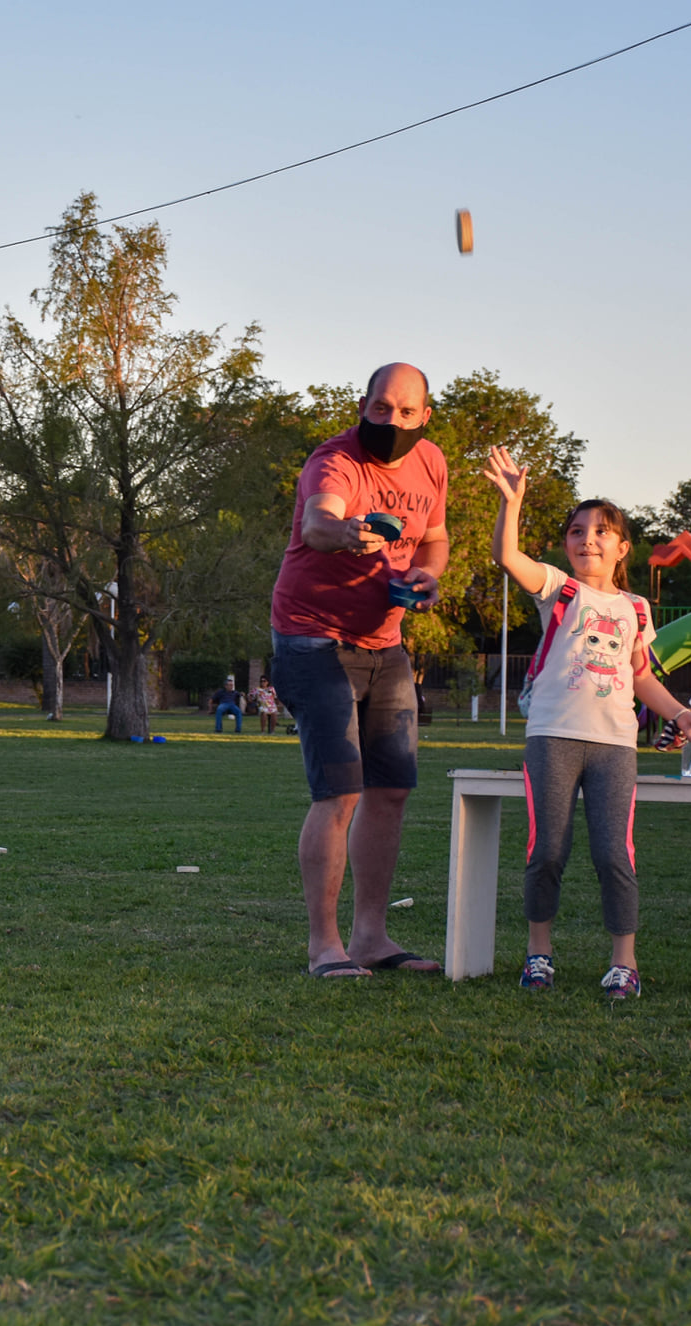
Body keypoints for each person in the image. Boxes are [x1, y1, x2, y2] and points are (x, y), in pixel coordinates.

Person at [485, 448, 691, 1000]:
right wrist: (511, 503)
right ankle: (538, 955)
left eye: (600, 531)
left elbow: (640, 677)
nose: (587, 540)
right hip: (552, 739)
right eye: (576, 531)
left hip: (615, 746)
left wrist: (681, 714)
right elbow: (506, 555)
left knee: (615, 855)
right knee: (548, 852)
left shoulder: (637, 608)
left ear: (621, 547)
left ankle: (623, 964)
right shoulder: (558, 588)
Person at [268, 363, 450, 979]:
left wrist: (428, 575)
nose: (392, 420)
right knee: (340, 790)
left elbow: (435, 540)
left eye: (406, 411)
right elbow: (318, 523)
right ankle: (325, 946)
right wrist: (347, 531)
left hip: (386, 643)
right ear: (363, 406)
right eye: (381, 408)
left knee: (391, 790)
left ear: (424, 416)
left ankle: (371, 938)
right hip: (312, 638)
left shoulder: (431, 462)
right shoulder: (336, 460)